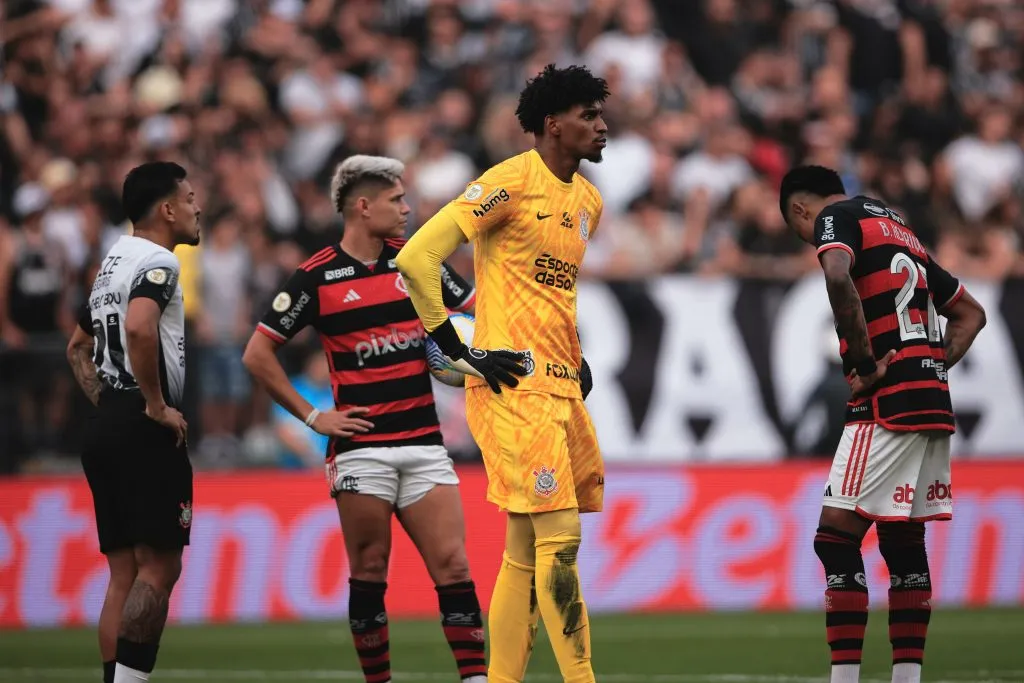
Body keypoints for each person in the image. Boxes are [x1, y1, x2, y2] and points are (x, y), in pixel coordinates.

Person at [396, 64, 608, 683]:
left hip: (561, 386)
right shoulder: (509, 182)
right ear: (552, 125)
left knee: (522, 551)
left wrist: (573, 356)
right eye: (588, 116)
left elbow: (551, 294)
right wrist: (456, 351)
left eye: (600, 114)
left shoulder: (587, 200)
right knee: (560, 541)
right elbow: (417, 257)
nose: (601, 126)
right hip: (513, 389)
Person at [242, 155, 486, 683]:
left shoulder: (418, 261)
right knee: (370, 571)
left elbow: (477, 314)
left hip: (424, 441)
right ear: (363, 205)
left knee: (456, 568)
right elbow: (257, 354)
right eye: (396, 200)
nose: (406, 208)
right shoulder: (316, 277)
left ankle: (477, 679)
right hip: (361, 450)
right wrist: (313, 416)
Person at [778, 165, 987, 683]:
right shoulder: (895, 226)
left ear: (801, 210)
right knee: (902, 542)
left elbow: (835, 274)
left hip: (884, 402)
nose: (808, 237)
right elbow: (971, 314)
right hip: (931, 399)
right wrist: (931, 365)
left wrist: (867, 366)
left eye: (798, 229)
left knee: (835, 539)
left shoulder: (835, 218)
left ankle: (845, 679)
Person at [67, 161, 201, 683]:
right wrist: (152, 405)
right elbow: (142, 328)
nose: (196, 208)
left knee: (123, 574)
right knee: (161, 567)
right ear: (168, 209)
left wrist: (112, 404)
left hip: (107, 426)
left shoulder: (112, 264)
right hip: (145, 425)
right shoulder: (159, 263)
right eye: (189, 198)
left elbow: (77, 347)